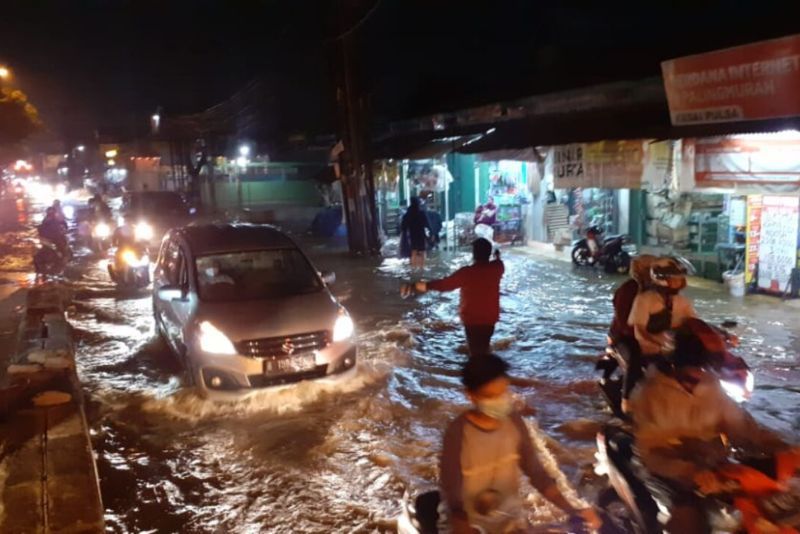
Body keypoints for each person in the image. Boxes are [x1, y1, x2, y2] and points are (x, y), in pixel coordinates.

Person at [629, 323, 798, 534]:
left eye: (705, 368)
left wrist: (782, 447)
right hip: (666, 473)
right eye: (696, 368)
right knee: (690, 522)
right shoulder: (649, 393)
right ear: (675, 364)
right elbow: (651, 454)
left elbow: (743, 428)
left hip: (716, 471)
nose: (701, 374)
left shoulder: (710, 386)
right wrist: (690, 471)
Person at [441, 354, 601, 533]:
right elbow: (453, 497)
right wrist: (463, 525)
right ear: (471, 396)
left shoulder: (513, 422)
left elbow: (537, 474)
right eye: (490, 396)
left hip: (512, 525)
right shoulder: (458, 434)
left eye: (502, 392)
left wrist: (573, 510)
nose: (499, 401)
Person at [624, 256, 696, 411]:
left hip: (671, 346)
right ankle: (627, 401)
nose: (680, 281)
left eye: (680, 277)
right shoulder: (644, 300)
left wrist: (721, 334)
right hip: (646, 346)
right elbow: (640, 329)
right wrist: (657, 342)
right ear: (662, 279)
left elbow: (695, 323)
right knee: (635, 361)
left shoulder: (683, 302)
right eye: (675, 278)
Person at [416, 238, 503, 357]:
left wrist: (422, 286)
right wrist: (497, 256)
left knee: (476, 353)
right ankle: (486, 370)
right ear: (489, 254)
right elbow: (498, 261)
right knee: (484, 347)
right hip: (489, 319)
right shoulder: (497, 268)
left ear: (474, 254)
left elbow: (444, 285)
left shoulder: (466, 273)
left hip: (472, 320)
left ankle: (478, 371)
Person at [401, 196, 431, 269]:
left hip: (412, 235)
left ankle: (413, 268)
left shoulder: (408, 214)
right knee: (422, 251)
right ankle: (422, 267)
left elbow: (403, 226)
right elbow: (427, 223)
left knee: (413, 251)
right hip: (421, 235)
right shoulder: (421, 213)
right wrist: (431, 233)